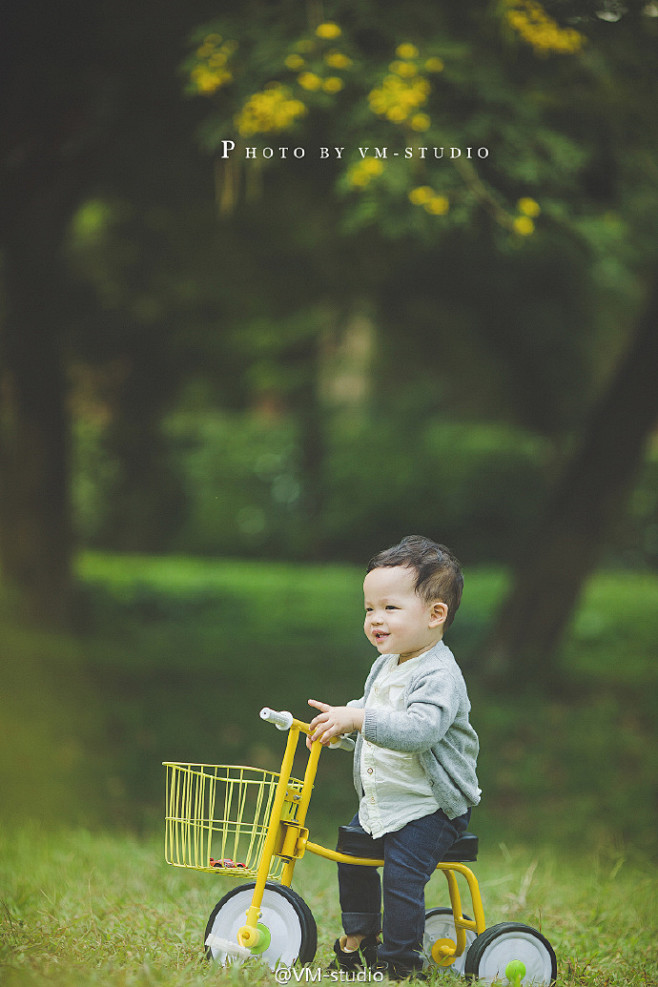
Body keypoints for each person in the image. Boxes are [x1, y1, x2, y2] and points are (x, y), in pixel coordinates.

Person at [308, 535, 481, 980]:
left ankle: (401, 962)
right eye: (369, 609)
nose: (374, 620)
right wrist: (341, 729)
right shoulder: (387, 664)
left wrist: (359, 718)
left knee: (402, 877)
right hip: (386, 802)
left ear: (435, 614)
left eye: (389, 608)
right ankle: (361, 939)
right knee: (352, 854)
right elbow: (375, 724)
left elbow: (419, 731)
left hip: (431, 807)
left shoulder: (439, 674)